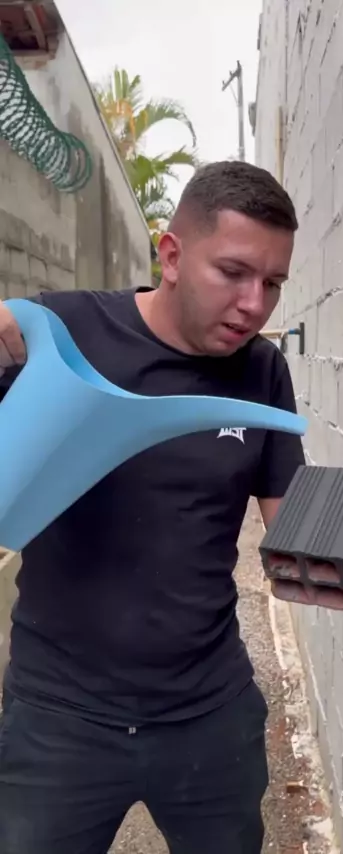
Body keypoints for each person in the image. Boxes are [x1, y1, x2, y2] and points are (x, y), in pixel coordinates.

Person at [0, 160, 305, 854]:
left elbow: (292, 533)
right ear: (171, 255)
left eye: (273, 283)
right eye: (233, 272)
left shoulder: (262, 370)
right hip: (59, 720)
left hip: (210, 715)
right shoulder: (62, 331)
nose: (254, 304)